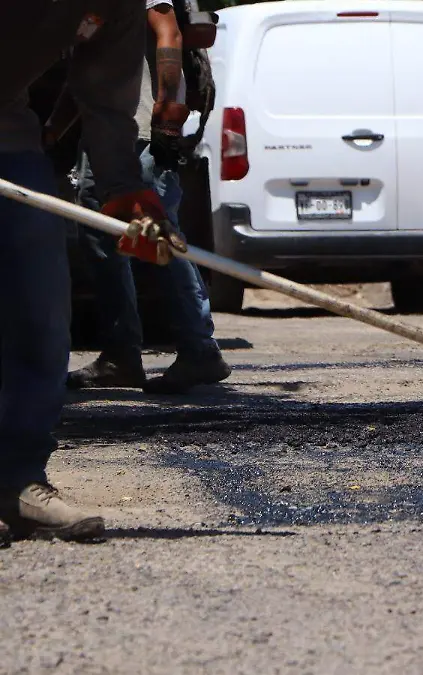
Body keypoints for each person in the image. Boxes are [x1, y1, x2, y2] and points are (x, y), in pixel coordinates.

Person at [0, 0, 187, 542]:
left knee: (39, 304)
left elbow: (106, 99)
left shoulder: (118, 6)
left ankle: (17, 476)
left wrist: (124, 187)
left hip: (8, 132)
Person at [64, 0, 231, 395]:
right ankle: (122, 354)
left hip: (140, 131)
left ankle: (198, 349)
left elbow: (168, 31)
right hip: (111, 131)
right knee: (103, 237)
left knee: (159, 236)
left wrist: (168, 106)